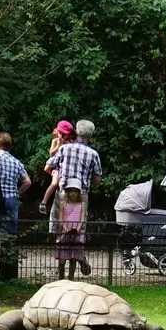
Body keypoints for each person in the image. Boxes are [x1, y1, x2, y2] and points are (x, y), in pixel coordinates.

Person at [44, 119, 102, 252]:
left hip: (64, 192)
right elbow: (97, 180)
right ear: (90, 136)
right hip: (81, 194)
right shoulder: (94, 154)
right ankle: (78, 256)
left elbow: (48, 166)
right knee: (79, 228)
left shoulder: (64, 148)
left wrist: (58, 178)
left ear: (76, 132)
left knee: (60, 227)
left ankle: (61, 261)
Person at [0, 132, 31, 236]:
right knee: (9, 233)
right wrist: (17, 192)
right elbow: (27, 181)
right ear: (9, 146)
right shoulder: (16, 162)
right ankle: (7, 250)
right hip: (11, 199)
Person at [41, 120, 76, 226]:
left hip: (64, 169)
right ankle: (44, 202)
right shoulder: (56, 141)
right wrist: (59, 145)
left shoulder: (71, 144)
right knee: (54, 183)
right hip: (55, 166)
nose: (61, 136)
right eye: (60, 134)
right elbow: (51, 154)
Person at [56, 177, 88, 278]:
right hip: (64, 232)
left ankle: (71, 279)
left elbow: (82, 220)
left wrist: (76, 230)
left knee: (73, 257)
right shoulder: (63, 204)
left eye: (75, 191)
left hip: (76, 233)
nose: (73, 193)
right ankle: (61, 279)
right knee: (62, 259)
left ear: (79, 193)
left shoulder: (81, 205)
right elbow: (60, 219)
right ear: (67, 192)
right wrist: (66, 229)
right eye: (71, 191)